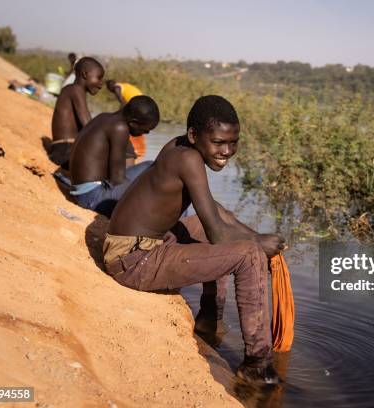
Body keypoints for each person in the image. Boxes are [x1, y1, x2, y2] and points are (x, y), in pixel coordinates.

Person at [105, 95, 286, 384]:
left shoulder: (180, 145)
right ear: (194, 135)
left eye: (233, 142)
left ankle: (208, 321)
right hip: (134, 261)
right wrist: (257, 245)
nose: (226, 151)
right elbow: (219, 234)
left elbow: (214, 211)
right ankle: (257, 364)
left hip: (135, 247)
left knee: (217, 231)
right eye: (218, 142)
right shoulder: (188, 159)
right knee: (248, 254)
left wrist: (255, 235)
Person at [69, 95, 159, 218]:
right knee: (152, 170)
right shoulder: (120, 128)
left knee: (148, 171)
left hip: (83, 191)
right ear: (133, 123)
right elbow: (117, 179)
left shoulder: (104, 117)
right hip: (92, 197)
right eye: (145, 130)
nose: (146, 133)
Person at [50, 57, 104, 171]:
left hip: (63, 149)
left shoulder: (72, 90)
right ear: (85, 74)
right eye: (98, 78)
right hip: (65, 150)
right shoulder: (76, 90)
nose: (101, 84)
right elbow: (89, 126)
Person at [106, 79, 147, 161]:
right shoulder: (123, 85)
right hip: (141, 102)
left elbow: (122, 103)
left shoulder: (116, 88)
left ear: (110, 87)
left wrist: (117, 115)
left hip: (136, 105)